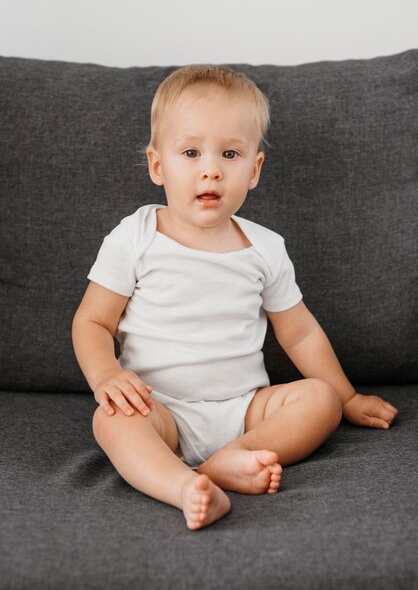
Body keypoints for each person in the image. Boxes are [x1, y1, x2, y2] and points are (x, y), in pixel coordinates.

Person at [72, 64, 398, 531]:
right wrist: (106, 375)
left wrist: (347, 397)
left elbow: (300, 333)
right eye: (190, 152)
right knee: (110, 422)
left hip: (246, 410)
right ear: (157, 165)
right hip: (158, 408)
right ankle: (182, 487)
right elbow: (92, 322)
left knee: (319, 400)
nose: (211, 169)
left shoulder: (265, 248)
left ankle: (233, 458)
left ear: (254, 170)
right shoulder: (136, 236)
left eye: (229, 153)